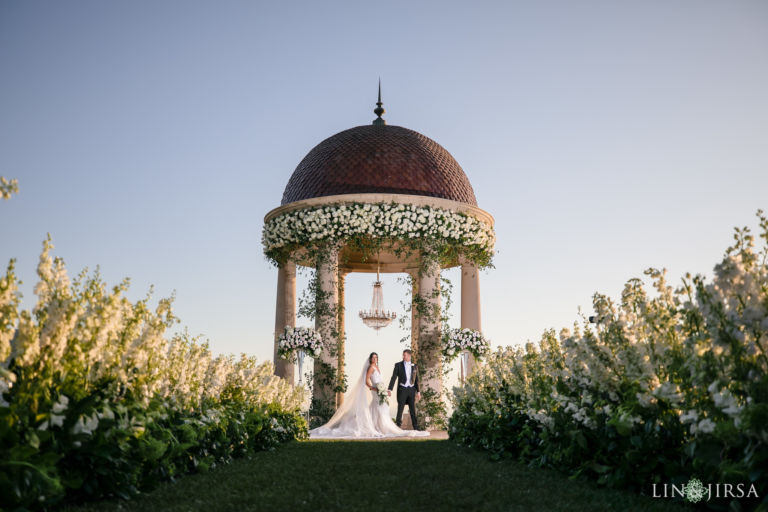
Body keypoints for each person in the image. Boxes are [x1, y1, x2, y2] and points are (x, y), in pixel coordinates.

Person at [309, 352, 429, 439]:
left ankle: (377, 426)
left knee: (380, 407)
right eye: (373, 357)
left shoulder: (378, 367)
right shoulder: (371, 367)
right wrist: (373, 388)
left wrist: (384, 389)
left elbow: (415, 379)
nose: (375, 359)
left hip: (383, 390)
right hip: (376, 390)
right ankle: (383, 427)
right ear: (370, 359)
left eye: (376, 357)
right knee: (381, 407)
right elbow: (367, 380)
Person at [387, 349, 420, 429]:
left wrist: (418, 392)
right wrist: (390, 389)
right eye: (403, 355)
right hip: (402, 389)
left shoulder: (415, 366)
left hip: (411, 390)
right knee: (400, 408)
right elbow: (393, 377)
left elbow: (416, 380)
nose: (403, 357)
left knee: (412, 409)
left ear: (409, 356)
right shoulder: (398, 365)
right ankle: (398, 426)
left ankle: (416, 427)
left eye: (405, 355)